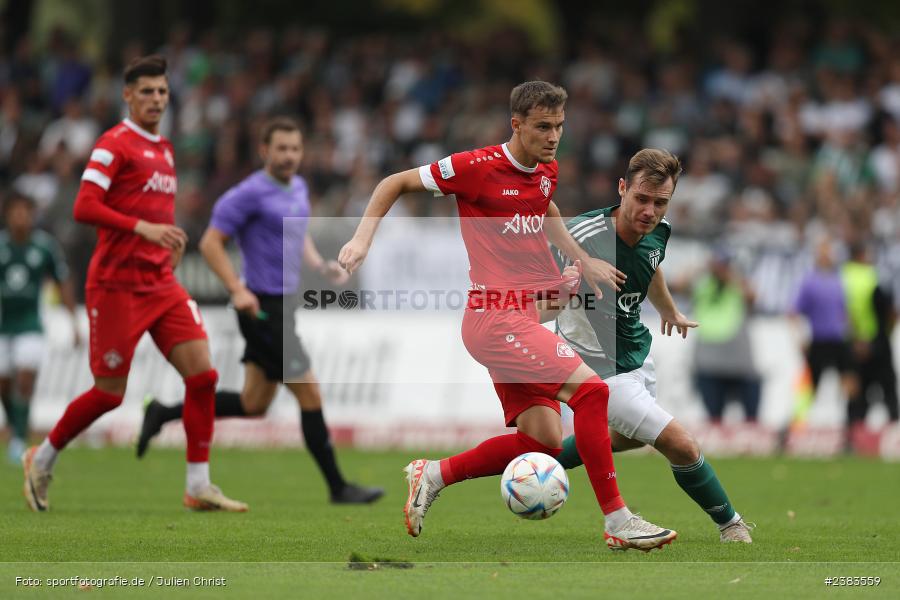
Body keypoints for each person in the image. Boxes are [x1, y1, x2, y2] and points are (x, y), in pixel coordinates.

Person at [339, 81, 676, 551]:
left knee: (545, 443)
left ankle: (433, 474)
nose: (553, 136)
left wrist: (578, 258)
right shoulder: (473, 168)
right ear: (516, 125)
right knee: (593, 393)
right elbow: (393, 182)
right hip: (495, 319)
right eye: (543, 127)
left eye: (559, 126)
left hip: (521, 318)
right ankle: (618, 520)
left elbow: (545, 207)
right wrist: (361, 241)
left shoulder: (546, 170)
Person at [22, 55, 247, 513]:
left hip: (159, 281)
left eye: (162, 91)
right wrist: (141, 229)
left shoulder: (164, 148)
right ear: (127, 95)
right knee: (109, 392)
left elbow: (157, 212)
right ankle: (41, 456)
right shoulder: (113, 144)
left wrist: (166, 243)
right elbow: (84, 206)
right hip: (115, 286)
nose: (156, 99)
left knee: (203, 375)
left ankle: (198, 484)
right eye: (146, 91)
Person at [136, 117, 384, 504]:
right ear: (264, 151)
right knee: (310, 393)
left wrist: (320, 265)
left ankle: (164, 412)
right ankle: (338, 487)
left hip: (284, 304)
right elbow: (210, 243)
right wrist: (236, 289)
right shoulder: (246, 194)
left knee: (254, 403)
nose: (289, 156)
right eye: (281, 149)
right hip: (261, 307)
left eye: (295, 149)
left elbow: (296, 235)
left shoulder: (298, 187)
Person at [543, 149, 753, 543]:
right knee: (681, 444)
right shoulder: (580, 238)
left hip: (636, 353)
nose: (649, 210)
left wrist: (669, 310)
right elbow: (544, 299)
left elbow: (650, 265)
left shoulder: (660, 230)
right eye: (641, 198)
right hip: (595, 367)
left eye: (660, 202)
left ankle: (531, 462)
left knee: (630, 438)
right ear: (622, 189)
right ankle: (732, 525)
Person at [0, 192, 79, 463]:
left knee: (24, 380)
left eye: (25, 211)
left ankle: (19, 437)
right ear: (7, 215)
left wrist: (73, 321)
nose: (20, 217)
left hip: (30, 325)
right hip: (3, 324)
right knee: (3, 383)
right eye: (15, 211)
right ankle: (17, 427)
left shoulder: (44, 247)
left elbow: (63, 280)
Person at [690, 249, 761, 424]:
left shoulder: (738, 284)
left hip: (739, 361)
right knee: (714, 417)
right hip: (708, 360)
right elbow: (678, 283)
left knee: (751, 416)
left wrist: (732, 278)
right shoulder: (703, 284)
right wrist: (701, 270)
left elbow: (752, 297)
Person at [842, 243, 898, 441]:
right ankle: (894, 437)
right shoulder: (873, 276)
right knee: (888, 392)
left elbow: (842, 312)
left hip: (853, 344)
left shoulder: (842, 277)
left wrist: (854, 339)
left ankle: (851, 439)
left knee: (856, 395)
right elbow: (890, 312)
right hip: (877, 342)